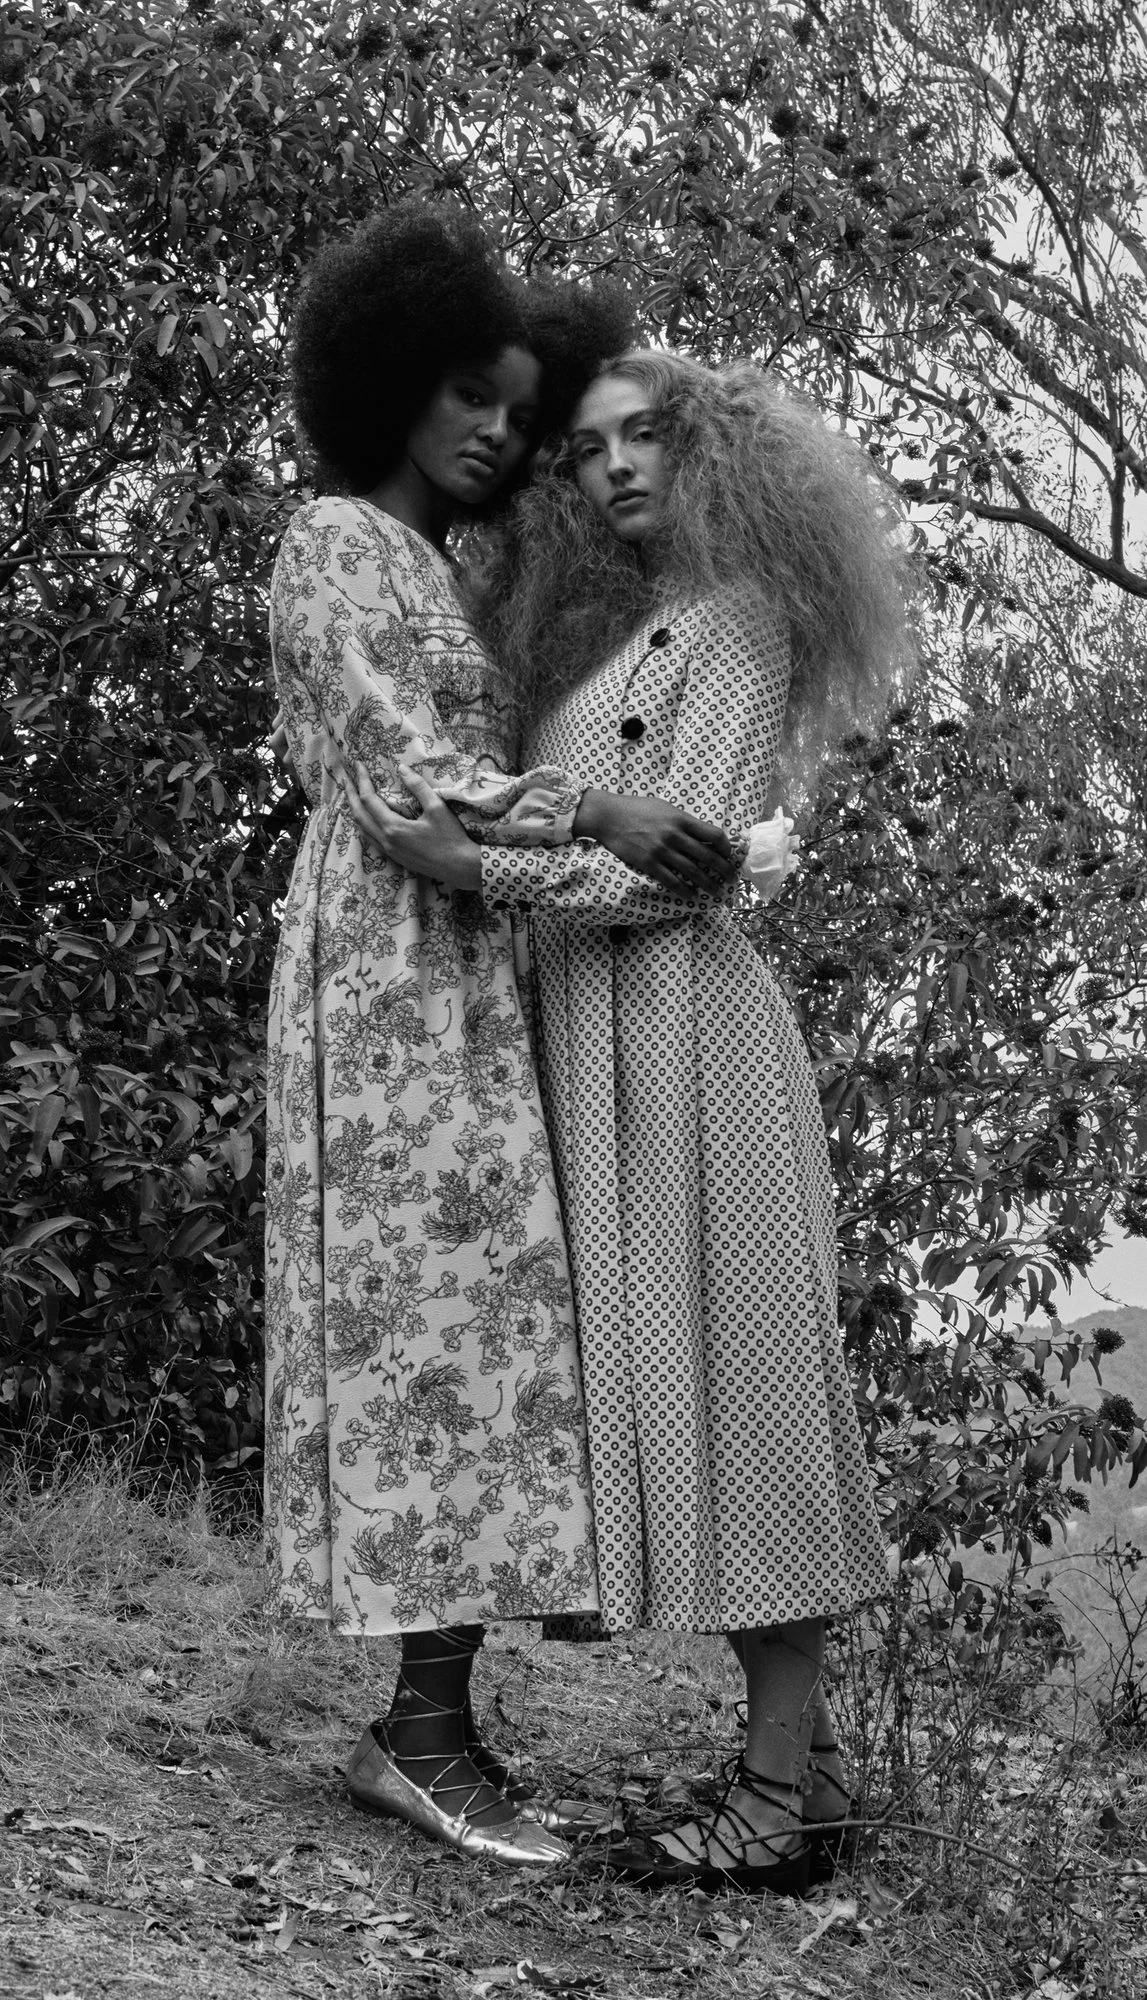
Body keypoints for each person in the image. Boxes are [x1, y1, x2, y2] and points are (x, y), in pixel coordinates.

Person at [344, 349, 914, 1891]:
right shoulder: (605, 637)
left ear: (714, 452)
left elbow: (695, 869)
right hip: (593, 1048)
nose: (613, 469)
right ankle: (783, 1780)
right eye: (586, 450)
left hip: (688, 1047)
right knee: (667, 1402)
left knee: (749, 1393)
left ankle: (785, 1794)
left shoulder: (734, 618)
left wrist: (479, 875)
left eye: (645, 437)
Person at [265, 205, 743, 1868]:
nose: (493, 429)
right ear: (388, 378)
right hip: (386, 973)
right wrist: (597, 804)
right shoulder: (332, 542)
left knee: (478, 1338)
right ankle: (420, 1733)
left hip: (466, 962)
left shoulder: (447, 566)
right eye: (469, 391)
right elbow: (404, 787)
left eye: (514, 411)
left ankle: (432, 1719)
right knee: (425, 1327)